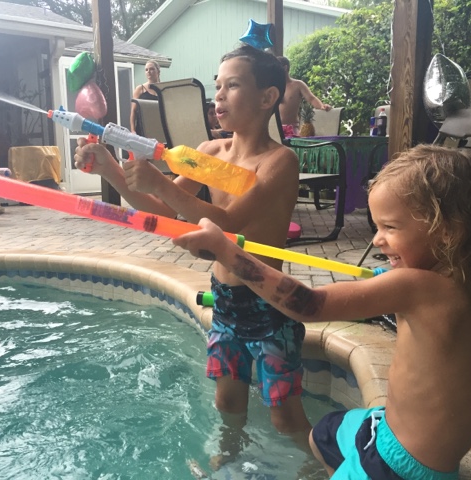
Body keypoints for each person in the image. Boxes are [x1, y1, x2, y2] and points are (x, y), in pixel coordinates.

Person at [173, 144, 471, 479]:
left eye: (390, 227)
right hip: (398, 437)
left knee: (334, 437)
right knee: (324, 434)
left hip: (395, 465)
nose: (377, 239)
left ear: (447, 232)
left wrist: (225, 251)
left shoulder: (418, 287)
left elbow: (308, 305)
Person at [74, 44, 314, 467]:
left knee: (283, 414)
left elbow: (230, 225)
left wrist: (161, 183)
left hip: (269, 304)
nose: (218, 95)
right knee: (227, 403)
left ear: (267, 97)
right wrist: (111, 168)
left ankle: (316, 467)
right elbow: (163, 211)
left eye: (232, 85)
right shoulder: (211, 153)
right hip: (226, 301)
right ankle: (229, 460)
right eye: (217, 85)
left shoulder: (279, 161)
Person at [277, 56, 332, 137]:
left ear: (285, 68)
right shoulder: (273, 87)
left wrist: (321, 106)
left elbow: (311, 98)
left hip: (291, 128)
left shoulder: (297, 85)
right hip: (274, 129)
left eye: (275, 68)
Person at [130, 60, 161, 134]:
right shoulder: (140, 89)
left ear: (158, 71)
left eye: (151, 69)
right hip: (143, 129)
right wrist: (133, 130)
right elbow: (133, 111)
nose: (148, 71)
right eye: (146, 70)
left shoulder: (163, 89)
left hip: (159, 128)